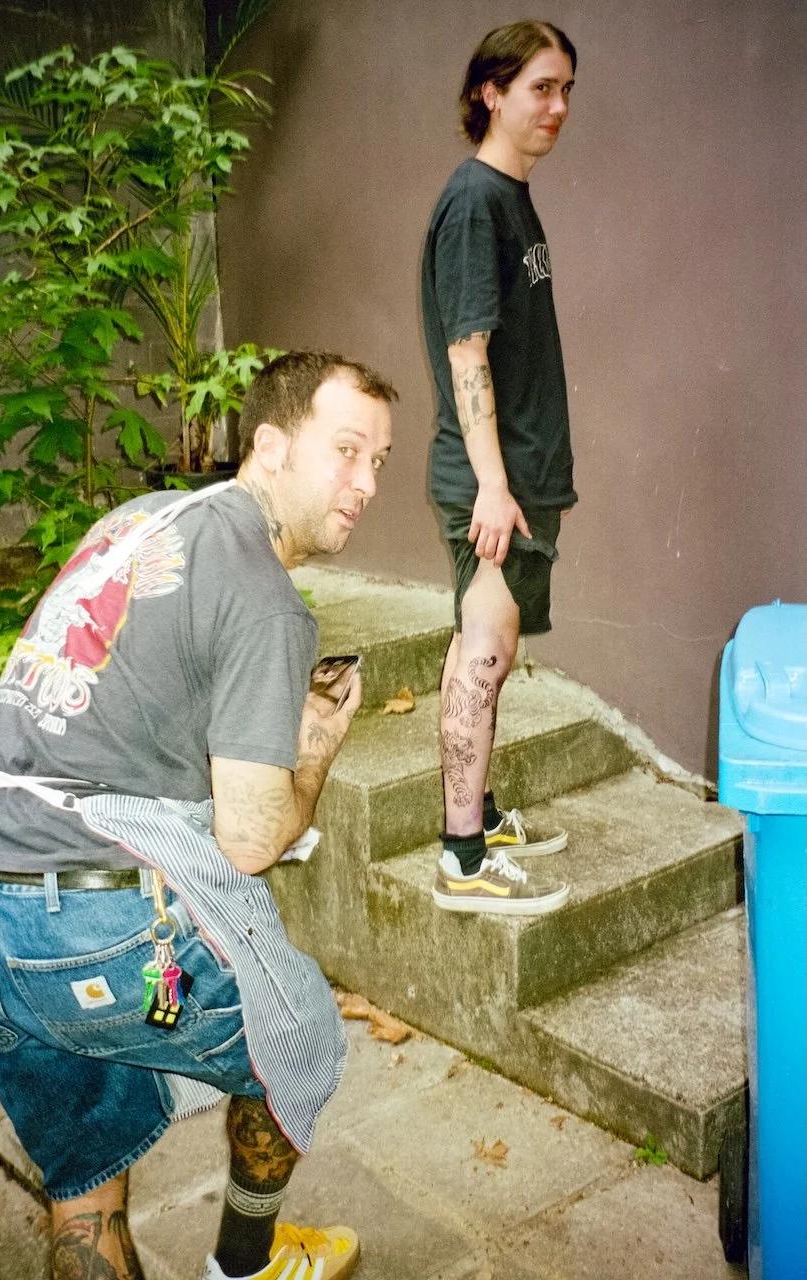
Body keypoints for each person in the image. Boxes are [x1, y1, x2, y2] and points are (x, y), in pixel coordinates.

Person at [0, 350, 395, 1280]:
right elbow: (251, 839)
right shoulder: (264, 596)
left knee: (85, 1180)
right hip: (89, 925)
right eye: (348, 450)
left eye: (380, 462)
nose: (366, 483)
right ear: (272, 445)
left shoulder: (140, 519)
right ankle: (247, 1266)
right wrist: (316, 741)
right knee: (298, 1045)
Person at [420, 20, 578, 915]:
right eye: (539, 88)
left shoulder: (508, 195)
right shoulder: (477, 200)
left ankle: (477, 813)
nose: (556, 107)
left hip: (519, 476)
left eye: (565, 91)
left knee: (498, 644)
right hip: (495, 479)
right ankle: (462, 859)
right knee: (480, 650)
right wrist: (491, 480)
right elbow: (465, 350)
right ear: (491, 92)